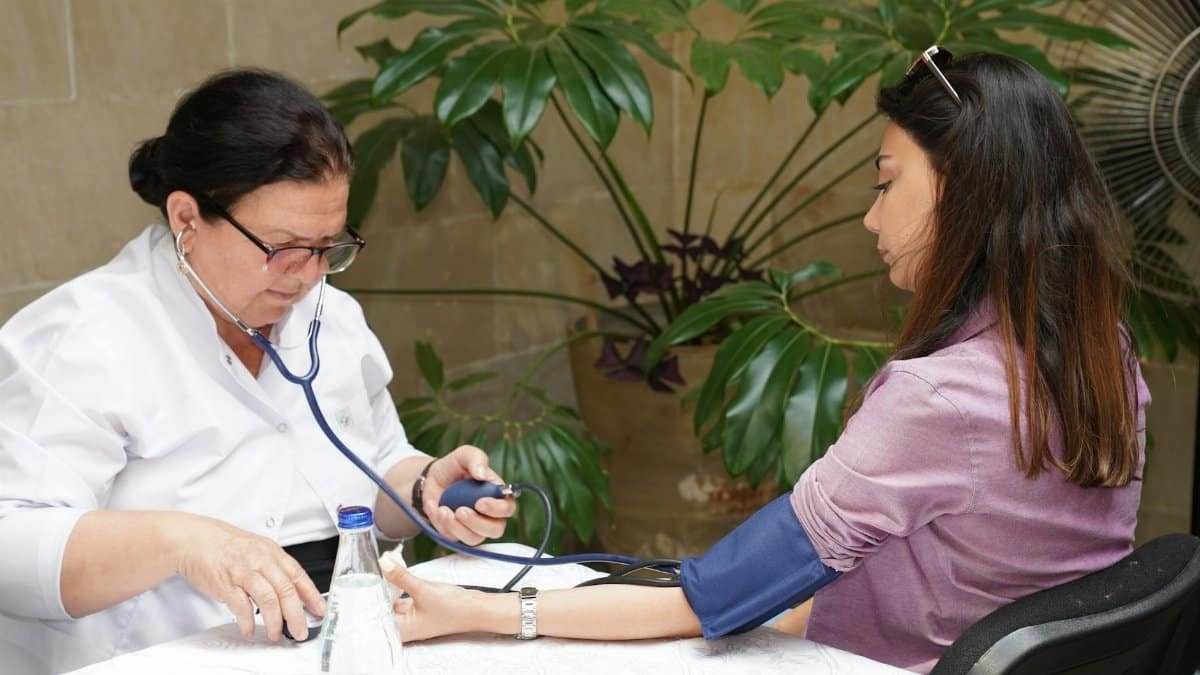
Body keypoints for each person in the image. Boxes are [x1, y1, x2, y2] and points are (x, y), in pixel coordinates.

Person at [375, 49, 1150, 674]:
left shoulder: (940, 397)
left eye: (887, 183)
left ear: (965, 193)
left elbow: (714, 596)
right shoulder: (1102, 352)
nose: (870, 215)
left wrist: (480, 611)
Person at [0, 69, 516, 674]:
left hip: (337, 642)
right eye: (283, 246)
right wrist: (184, 543)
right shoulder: (81, 336)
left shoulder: (332, 317)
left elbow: (374, 469)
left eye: (329, 245)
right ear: (187, 219)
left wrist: (425, 488)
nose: (308, 275)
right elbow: (11, 546)